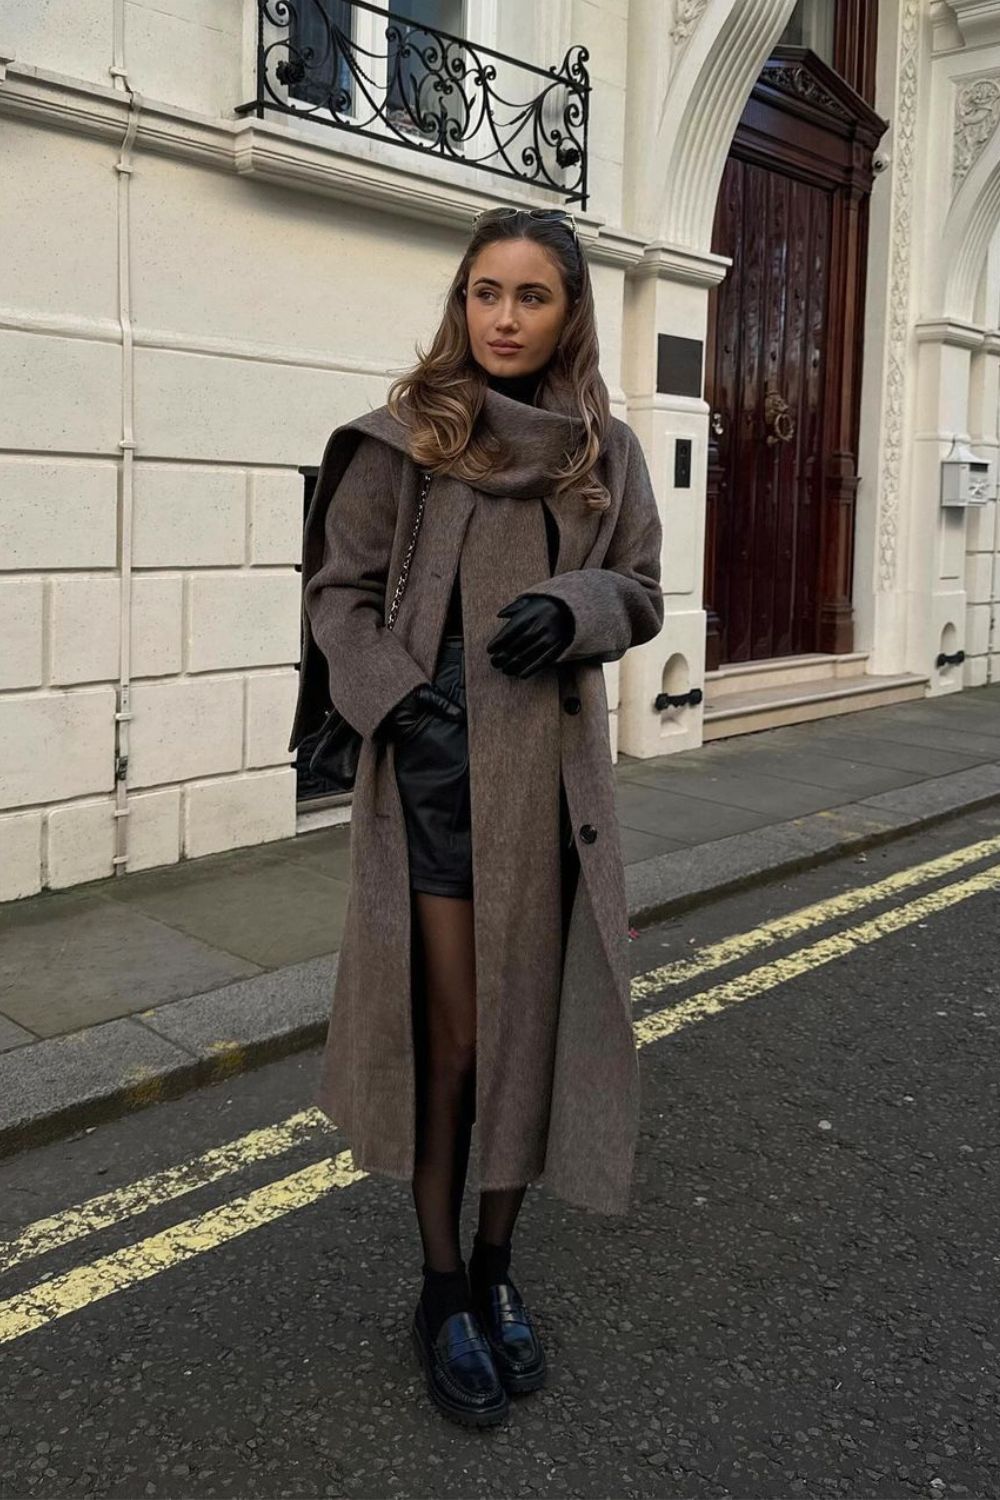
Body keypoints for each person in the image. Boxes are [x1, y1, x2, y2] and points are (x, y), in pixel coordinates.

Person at [293, 205, 665, 1427]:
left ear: (569, 313)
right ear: (461, 301)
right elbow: (339, 595)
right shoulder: (407, 438)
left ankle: (499, 1269)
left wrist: (581, 606)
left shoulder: (604, 451)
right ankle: (441, 1285)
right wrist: (400, 707)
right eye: (484, 293)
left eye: (530, 296)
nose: (503, 318)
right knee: (454, 1044)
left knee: (529, 1036)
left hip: (553, 792)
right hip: (436, 780)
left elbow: (643, 591)